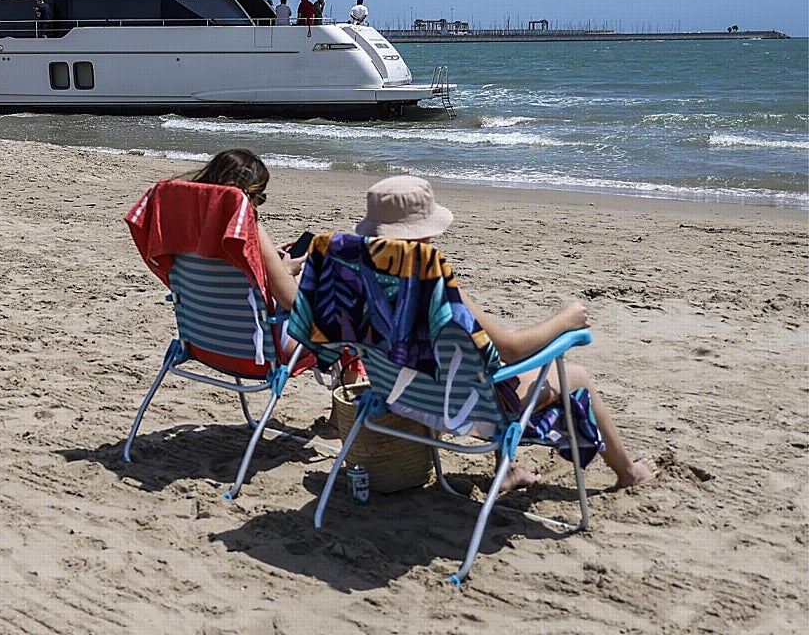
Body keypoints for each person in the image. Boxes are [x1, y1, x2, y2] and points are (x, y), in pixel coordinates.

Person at [354, 175, 660, 491]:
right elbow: (511, 349)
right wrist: (565, 320)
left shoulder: (361, 282)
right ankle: (628, 472)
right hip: (462, 409)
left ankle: (508, 469)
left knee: (476, 361)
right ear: (426, 231)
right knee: (575, 376)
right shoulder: (431, 284)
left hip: (399, 395)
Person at [183, 149, 305, 311]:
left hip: (199, 326)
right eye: (259, 198)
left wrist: (264, 258)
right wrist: (288, 271)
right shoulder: (249, 229)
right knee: (305, 273)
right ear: (248, 196)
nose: (257, 206)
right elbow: (292, 303)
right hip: (252, 332)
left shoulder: (185, 226)